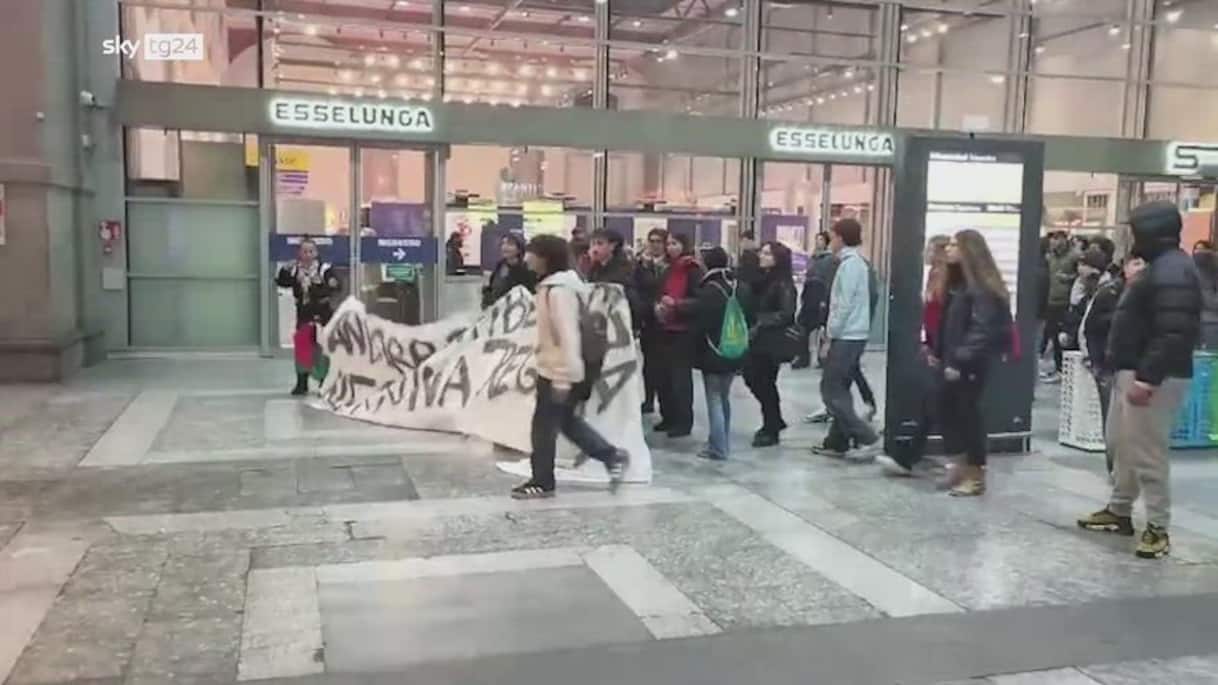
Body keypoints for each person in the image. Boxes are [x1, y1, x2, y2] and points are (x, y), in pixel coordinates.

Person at [1078, 201, 1202, 559]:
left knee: (1147, 452)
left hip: (1153, 375)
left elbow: (1174, 331)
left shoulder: (1173, 271)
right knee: (1123, 445)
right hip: (1134, 368)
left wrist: (1147, 379)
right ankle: (1119, 509)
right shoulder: (1158, 267)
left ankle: (1158, 527)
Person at [510, 234, 630, 500]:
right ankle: (611, 456)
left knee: (543, 427)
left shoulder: (559, 291)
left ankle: (542, 481)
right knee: (565, 422)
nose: (527, 257)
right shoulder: (553, 286)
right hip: (556, 369)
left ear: (545, 257)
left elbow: (569, 335)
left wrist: (565, 378)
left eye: (532, 252)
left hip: (560, 371)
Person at [931, 230, 1013, 496]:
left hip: (970, 365)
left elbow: (983, 329)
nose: (949, 249)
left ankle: (975, 474)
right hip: (953, 361)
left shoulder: (982, 289)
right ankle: (959, 465)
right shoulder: (960, 286)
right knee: (947, 410)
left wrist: (960, 360)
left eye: (955, 245)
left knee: (968, 415)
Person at [877, 235, 951, 477]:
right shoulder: (933, 277)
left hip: (944, 350)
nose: (924, 253)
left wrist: (937, 348)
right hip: (933, 347)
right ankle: (908, 456)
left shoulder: (946, 279)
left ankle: (910, 456)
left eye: (929, 249)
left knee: (935, 405)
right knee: (931, 404)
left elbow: (941, 317)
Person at [813, 219, 882, 460]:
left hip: (847, 336)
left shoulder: (851, 266)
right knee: (839, 388)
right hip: (850, 333)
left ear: (841, 238)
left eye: (832, 236)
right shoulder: (851, 264)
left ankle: (868, 437)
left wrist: (830, 335)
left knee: (831, 390)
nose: (830, 241)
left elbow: (843, 305)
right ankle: (838, 441)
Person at [681, 246, 752, 460]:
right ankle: (721, 440)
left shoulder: (710, 289)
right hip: (735, 347)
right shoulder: (739, 286)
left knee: (713, 398)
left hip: (713, 350)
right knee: (723, 397)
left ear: (706, 263)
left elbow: (702, 322)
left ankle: (718, 448)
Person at [1082, 251, 1140, 479]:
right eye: (1135, 263)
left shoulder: (1149, 294)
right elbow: (1091, 327)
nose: (1139, 268)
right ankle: (1114, 467)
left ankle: (1129, 468)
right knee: (1113, 420)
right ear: (1125, 266)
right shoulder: (1110, 293)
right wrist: (1096, 362)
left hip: (1136, 366)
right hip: (1109, 365)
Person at [744, 241, 797, 447]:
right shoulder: (764, 279)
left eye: (767, 253)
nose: (762, 256)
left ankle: (771, 426)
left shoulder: (783, 283)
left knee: (764, 382)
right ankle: (774, 420)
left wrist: (761, 321)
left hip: (770, 341)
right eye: (762, 252)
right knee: (756, 379)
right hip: (759, 339)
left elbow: (786, 313)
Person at [652, 233, 705, 438]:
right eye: (669, 244)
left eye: (675, 244)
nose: (670, 247)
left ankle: (683, 421)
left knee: (680, 379)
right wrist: (658, 306)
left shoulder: (694, 270)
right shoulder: (668, 269)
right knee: (663, 376)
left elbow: (700, 301)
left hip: (684, 331)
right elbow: (659, 292)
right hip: (664, 328)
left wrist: (678, 305)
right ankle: (668, 416)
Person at [276, 239, 340, 396]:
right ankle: (302, 382)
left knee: (323, 348)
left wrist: (323, 285)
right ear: (299, 253)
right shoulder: (294, 269)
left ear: (316, 253)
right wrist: (284, 270)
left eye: (311, 251)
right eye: (304, 251)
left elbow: (336, 285)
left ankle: (325, 382)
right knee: (303, 347)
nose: (308, 254)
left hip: (322, 313)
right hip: (304, 313)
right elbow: (282, 283)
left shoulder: (324, 269)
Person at [635, 228, 670, 415]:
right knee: (648, 365)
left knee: (664, 367)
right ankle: (648, 399)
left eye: (658, 241)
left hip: (667, 321)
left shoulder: (670, 265)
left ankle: (665, 406)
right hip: (648, 321)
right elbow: (638, 289)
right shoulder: (641, 266)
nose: (654, 244)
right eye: (652, 241)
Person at [794, 231, 834, 369]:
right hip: (810, 296)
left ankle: (823, 357)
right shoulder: (812, 258)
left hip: (821, 296)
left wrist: (825, 298)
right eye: (817, 239)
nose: (818, 242)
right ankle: (803, 356)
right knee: (804, 325)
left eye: (821, 239)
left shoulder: (829, 259)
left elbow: (828, 279)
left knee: (822, 326)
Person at [587, 228, 640, 331]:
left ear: (612, 246)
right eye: (592, 244)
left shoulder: (624, 269)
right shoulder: (594, 269)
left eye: (599, 244)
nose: (594, 249)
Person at [1041, 231, 1076, 383]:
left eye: (1057, 239)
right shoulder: (1049, 257)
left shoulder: (1073, 256)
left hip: (1065, 302)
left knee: (1063, 338)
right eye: (1053, 240)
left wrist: (1067, 278)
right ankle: (1058, 368)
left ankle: (1063, 370)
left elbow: (1079, 275)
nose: (1055, 243)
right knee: (1053, 336)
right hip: (1050, 302)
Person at [481, 233, 536, 308]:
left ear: (519, 249)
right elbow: (493, 287)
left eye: (510, 244)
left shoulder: (526, 269)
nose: (505, 247)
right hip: (497, 309)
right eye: (503, 243)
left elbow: (530, 294)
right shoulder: (501, 264)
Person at [1192, 244, 1218, 348]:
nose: (1199, 252)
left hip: (1210, 321)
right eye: (1197, 249)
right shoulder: (1191, 269)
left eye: (1203, 249)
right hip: (1198, 320)